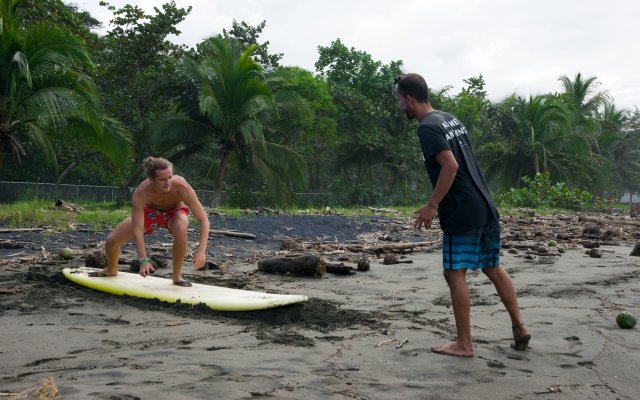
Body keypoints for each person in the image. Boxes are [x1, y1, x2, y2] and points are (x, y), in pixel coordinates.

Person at [394, 73, 530, 357]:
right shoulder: (448, 118)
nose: (398, 105)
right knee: (492, 266)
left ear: (409, 98)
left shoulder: (426, 128)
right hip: (484, 203)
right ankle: (519, 326)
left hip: (463, 209)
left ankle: (464, 344)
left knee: (454, 272)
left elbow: (450, 166)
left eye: (398, 99)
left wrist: (432, 206)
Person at [90, 157, 210, 287]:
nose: (168, 182)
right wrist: (143, 259)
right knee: (111, 241)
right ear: (151, 179)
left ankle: (176, 277)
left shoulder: (182, 187)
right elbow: (137, 228)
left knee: (181, 228)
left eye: (170, 177)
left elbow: (203, 220)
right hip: (150, 213)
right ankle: (111, 269)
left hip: (174, 212)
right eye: (163, 179)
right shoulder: (141, 193)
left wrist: (201, 251)